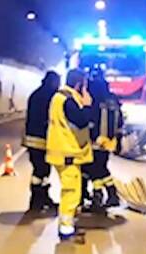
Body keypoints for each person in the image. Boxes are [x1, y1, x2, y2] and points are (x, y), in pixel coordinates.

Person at [46, 69, 94, 241]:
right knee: (71, 192)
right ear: (79, 84)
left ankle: (67, 225)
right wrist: (88, 105)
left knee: (71, 190)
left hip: (61, 151)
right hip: (68, 153)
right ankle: (66, 230)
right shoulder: (68, 100)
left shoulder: (59, 97)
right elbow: (81, 122)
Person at [83, 71, 123, 211]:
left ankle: (104, 197)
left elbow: (89, 121)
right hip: (109, 142)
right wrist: (118, 141)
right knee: (100, 169)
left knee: (96, 171)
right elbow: (120, 123)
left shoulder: (94, 100)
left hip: (96, 142)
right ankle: (106, 196)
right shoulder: (113, 99)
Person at [23, 71, 61, 212]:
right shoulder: (50, 97)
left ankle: (41, 199)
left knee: (41, 171)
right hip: (42, 140)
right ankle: (37, 201)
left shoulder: (35, 94)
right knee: (41, 171)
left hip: (32, 139)